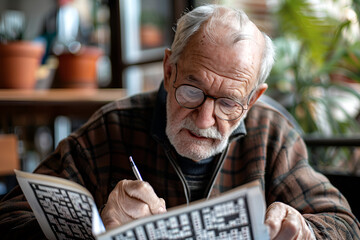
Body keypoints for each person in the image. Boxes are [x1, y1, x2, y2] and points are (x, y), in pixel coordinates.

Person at [1, 4, 359, 239]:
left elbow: (345, 224)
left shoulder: (272, 135)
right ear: (169, 71)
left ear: (253, 99)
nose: (205, 118)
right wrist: (94, 229)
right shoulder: (111, 129)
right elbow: (10, 218)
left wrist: (306, 231)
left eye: (228, 102)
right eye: (191, 90)